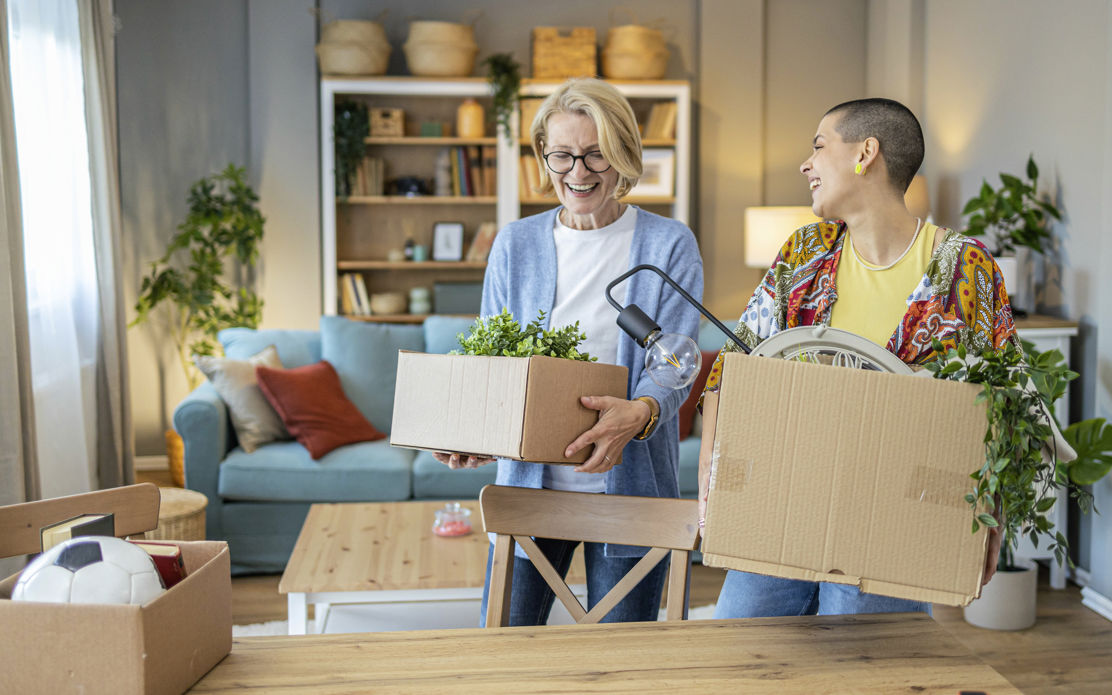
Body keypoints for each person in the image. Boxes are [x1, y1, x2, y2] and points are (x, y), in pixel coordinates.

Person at [698, 97, 1017, 619]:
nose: (806, 164)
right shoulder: (806, 252)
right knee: (743, 658)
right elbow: (730, 372)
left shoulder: (964, 267)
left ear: (866, 153)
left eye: (819, 146)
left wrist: (988, 522)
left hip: (891, 525)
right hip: (782, 507)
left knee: (865, 670)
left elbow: (997, 408)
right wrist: (711, 487)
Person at [433, 77, 703, 625]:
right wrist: (476, 431)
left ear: (623, 156)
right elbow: (495, 360)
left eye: (596, 155)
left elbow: (675, 358)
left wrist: (642, 411)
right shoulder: (515, 244)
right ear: (543, 156)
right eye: (563, 155)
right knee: (507, 654)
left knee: (621, 665)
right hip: (530, 493)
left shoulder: (669, 244)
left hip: (628, 488)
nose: (578, 172)